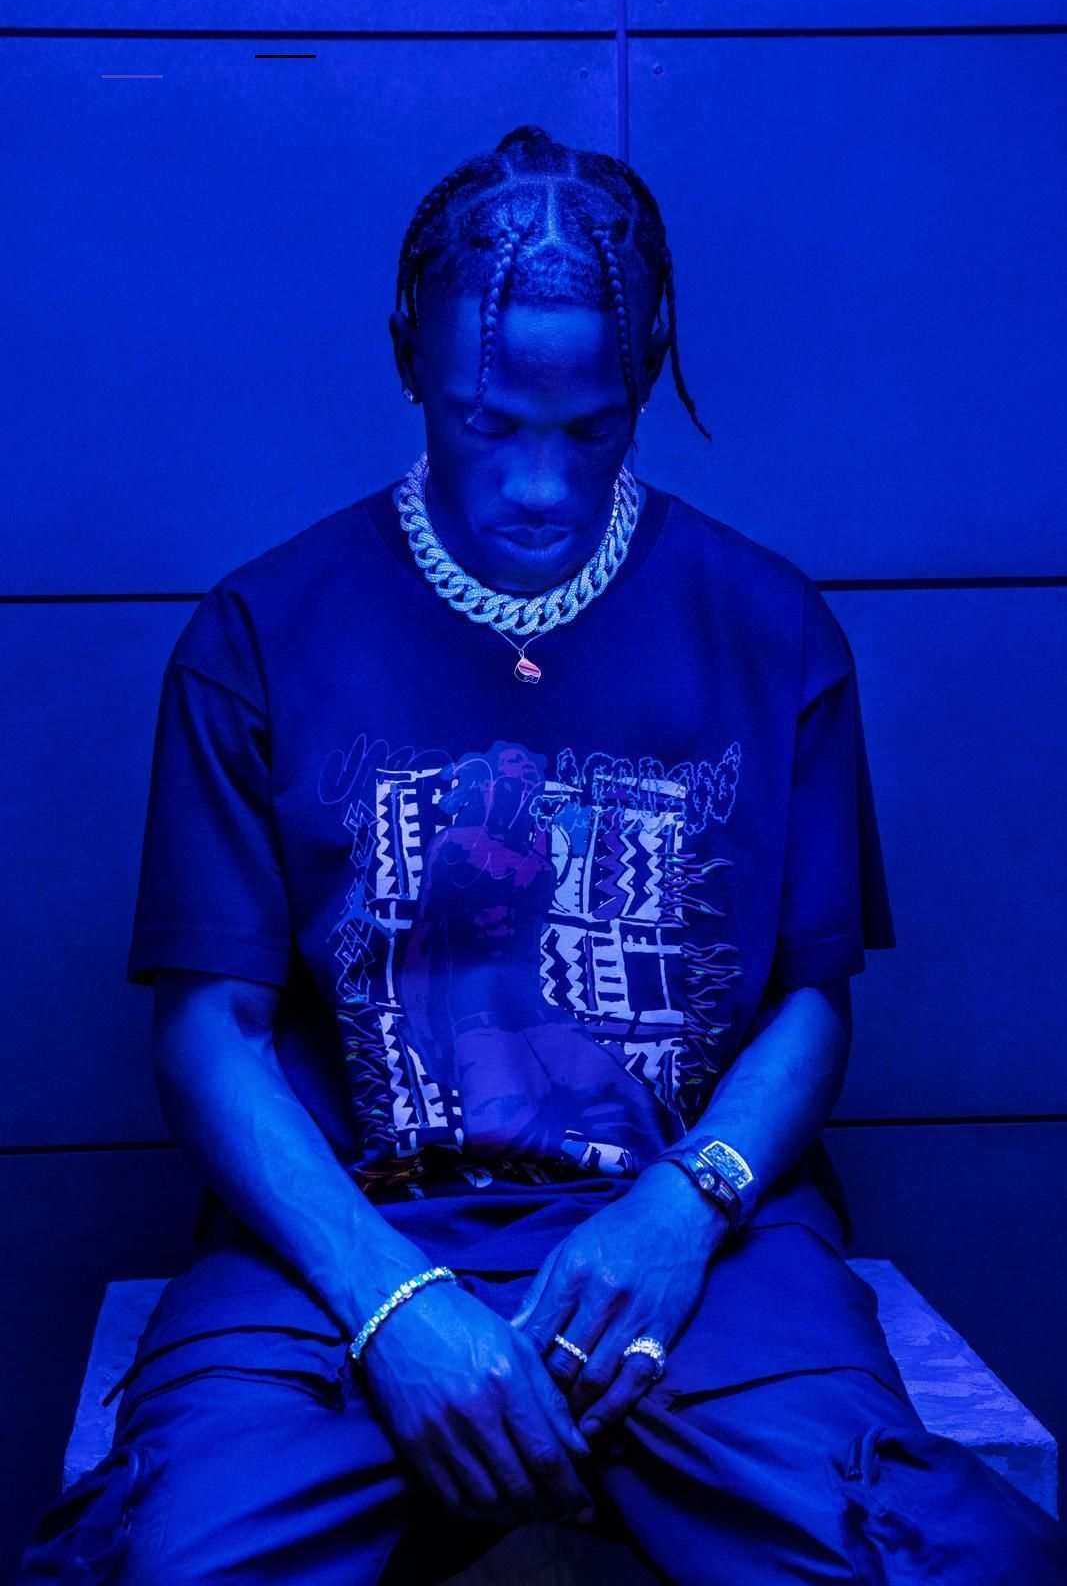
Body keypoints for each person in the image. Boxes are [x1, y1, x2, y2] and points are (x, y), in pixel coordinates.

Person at [16, 123, 1066, 1584]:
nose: (538, 487)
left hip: (696, 1243)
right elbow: (211, 1034)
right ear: (407, 357)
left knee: (925, 1560)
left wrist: (682, 1208)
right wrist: (393, 1303)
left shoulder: (771, 630)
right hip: (343, 1241)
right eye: (487, 422)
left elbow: (810, 1005)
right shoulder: (258, 635)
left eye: (590, 431)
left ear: (648, 374)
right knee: (173, 1563)